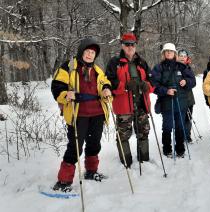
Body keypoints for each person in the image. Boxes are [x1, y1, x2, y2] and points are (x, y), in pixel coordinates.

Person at [51, 37, 112, 192]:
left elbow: (105, 82)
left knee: (94, 144)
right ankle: (64, 181)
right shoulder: (69, 67)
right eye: (87, 51)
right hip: (78, 113)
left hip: (97, 112)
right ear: (81, 51)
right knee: (75, 147)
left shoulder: (97, 70)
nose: (90, 55)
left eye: (93, 52)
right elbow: (57, 85)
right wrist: (66, 94)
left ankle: (91, 172)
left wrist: (106, 89)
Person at [105, 32, 153, 167]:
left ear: (135, 45)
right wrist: (124, 86)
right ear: (122, 45)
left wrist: (147, 85)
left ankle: (144, 160)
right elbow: (108, 82)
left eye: (132, 44)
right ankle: (126, 162)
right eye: (127, 44)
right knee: (123, 136)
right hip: (124, 107)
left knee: (143, 132)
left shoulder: (142, 62)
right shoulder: (114, 63)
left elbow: (152, 80)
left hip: (141, 104)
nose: (130, 47)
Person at [151, 43, 196, 158]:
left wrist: (186, 82)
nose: (169, 53)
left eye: (171, 51)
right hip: (166, 103)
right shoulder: (158, 68)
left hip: (181, 103)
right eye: (166, 51)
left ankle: (180, 149)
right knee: (167, 126)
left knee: (180, 126)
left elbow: (193, 81)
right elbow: (153, 85)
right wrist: (166, 91)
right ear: (163, 54)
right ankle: (167, 149)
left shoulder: (181, 66)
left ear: (174, 53)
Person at [177, 49, 196, 143]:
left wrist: (186, 81)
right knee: (179, 118)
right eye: (180, 55)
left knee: (188, 118)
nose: (182, 57)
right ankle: (179, 137)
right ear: (177, 57)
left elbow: (193, 82)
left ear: (187, 58)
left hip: (188, 98)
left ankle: (187, 136)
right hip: (177, 98)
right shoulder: (173, 67)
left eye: (184, 56)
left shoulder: (188, 68)